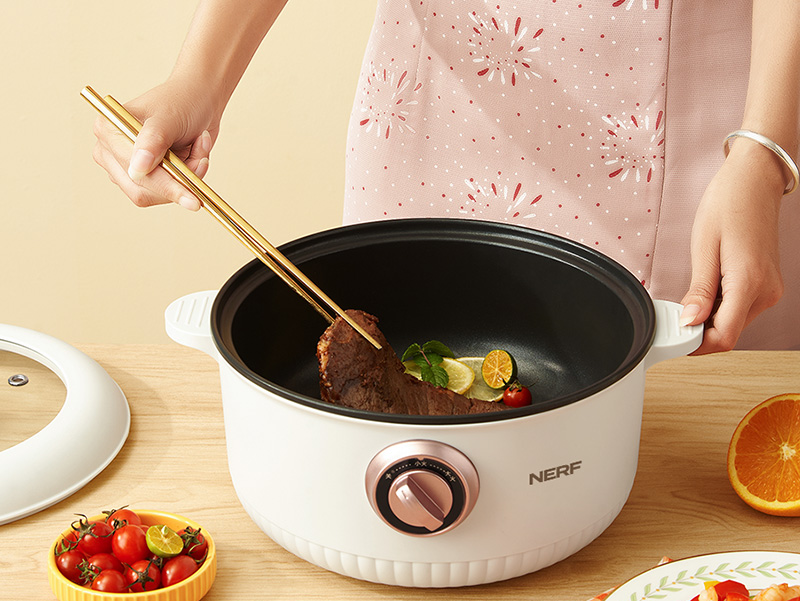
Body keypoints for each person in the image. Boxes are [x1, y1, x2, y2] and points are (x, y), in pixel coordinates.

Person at [92, 0, 800, 354]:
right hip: (434, 114)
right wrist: (200, 76)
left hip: (715, 139)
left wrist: (764, 154)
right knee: (402, 372)